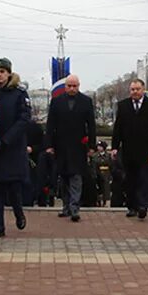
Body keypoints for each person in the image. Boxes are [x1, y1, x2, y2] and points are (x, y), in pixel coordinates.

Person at [0, 58, 31, 238]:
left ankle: (18, 212)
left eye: (2, 72)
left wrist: (6, 140)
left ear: (9, 73)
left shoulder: (19, 93)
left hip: (11, 148)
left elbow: (24, 119)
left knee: (13, 188)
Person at [45, 74, 96, 222]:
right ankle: (66, 207)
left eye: (75, 86)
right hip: (61, 145)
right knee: (64, 177)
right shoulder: (56, 102)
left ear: (79, 86)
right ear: (65, 86)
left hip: (78, 146)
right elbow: (50, 125)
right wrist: (49, 145)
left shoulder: (86, 101)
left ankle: (74, 208)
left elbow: (91, 126)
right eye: (69, 86)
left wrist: (91, 145)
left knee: (76, 177)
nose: (72, 88)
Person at [111, 78, 148, 220]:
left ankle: (142, 206)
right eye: (132, 89)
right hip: (128, 149)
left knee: (144, 178)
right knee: (130, 179)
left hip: (146, 149)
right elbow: (118, 128)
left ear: (143, 90)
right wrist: (114, 147)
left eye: (137, 89)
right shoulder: (123, 106)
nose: (135, 92)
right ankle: (131, 207)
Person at [91, 141, 112, 207]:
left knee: (106, 188)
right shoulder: (95, 156)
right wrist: (94, 175)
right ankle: (98, 201)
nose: (99, 148)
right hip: (98, 174)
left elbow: (110, 166)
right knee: (98, 189)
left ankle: (106, 201)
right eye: (98, 146)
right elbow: (93, 166)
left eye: (100, 146)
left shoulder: (108, 156)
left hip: (106, 174)